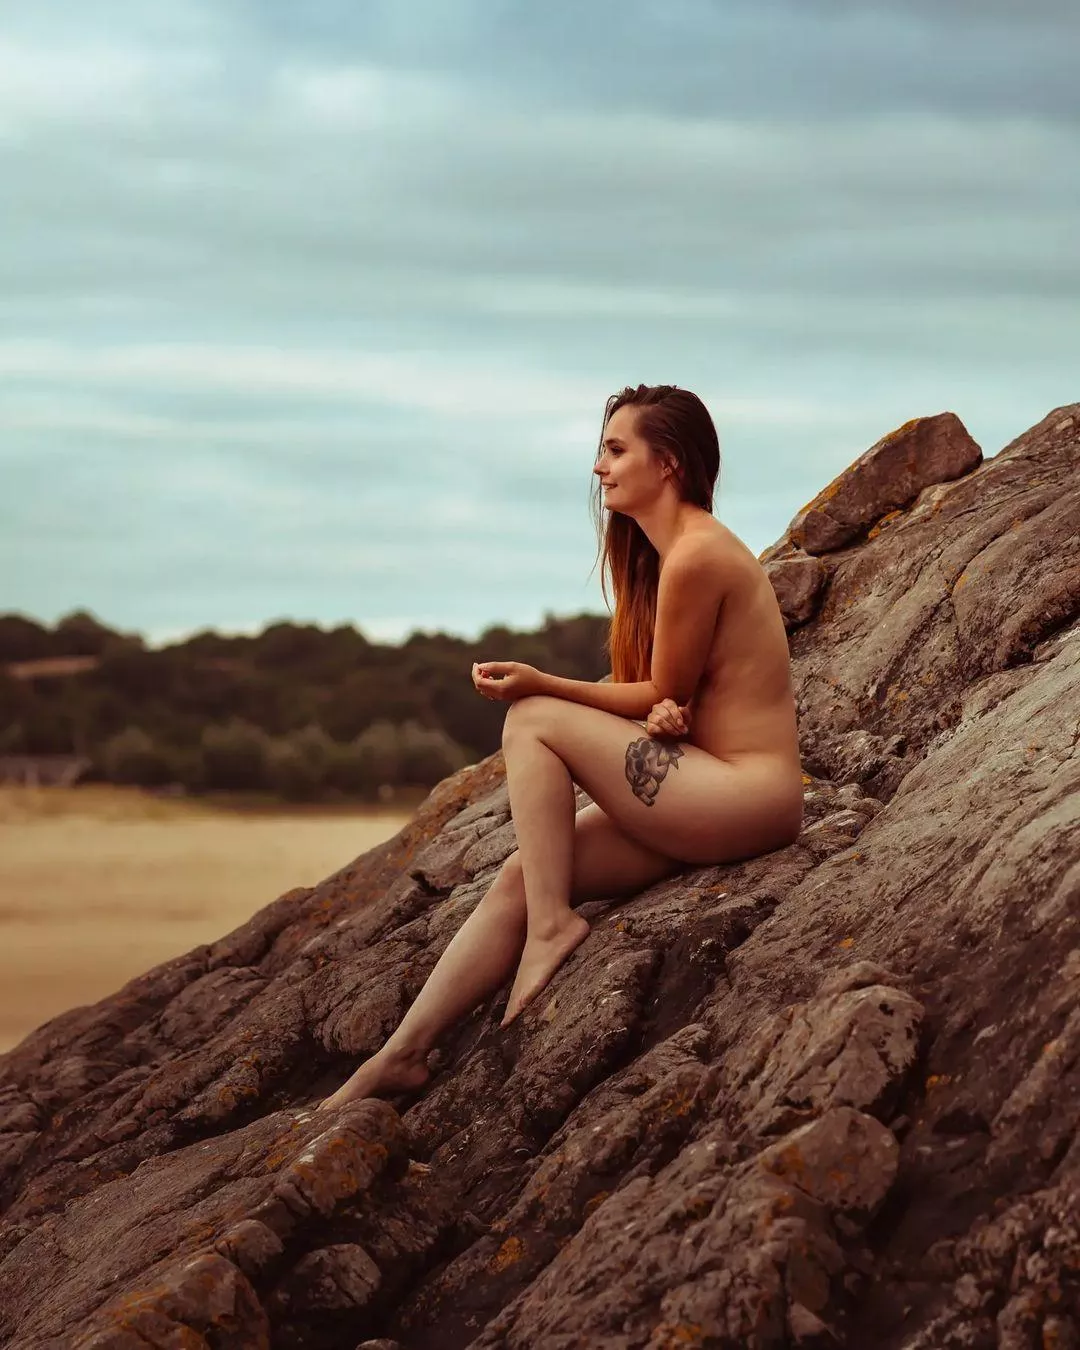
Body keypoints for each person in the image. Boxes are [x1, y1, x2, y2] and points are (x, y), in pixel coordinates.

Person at [318, 383, 804, 1111]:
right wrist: (668, 717)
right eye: (600, 452)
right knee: (529, 868)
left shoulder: (697, 554)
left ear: (666, 462)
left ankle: (552, 928)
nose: (600, 469)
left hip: (744, 797)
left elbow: (651, 692)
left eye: (615, 450)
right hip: (711, 792)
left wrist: (542, 681)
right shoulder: (675, 554)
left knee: (533, 717)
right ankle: (401, 1057)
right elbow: (671, 699)